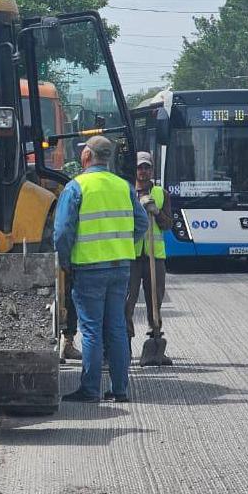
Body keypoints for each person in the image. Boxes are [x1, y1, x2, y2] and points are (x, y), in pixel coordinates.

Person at [54, 135, 147, 403]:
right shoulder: (124, 187)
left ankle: (90, 389)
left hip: (89, 268)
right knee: (116, 326)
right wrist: (122, 245)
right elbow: (141, 224)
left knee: (92, 328)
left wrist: (65, 260)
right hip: (121, 268)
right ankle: (119, 389)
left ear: (86, 156)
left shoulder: (76, 187)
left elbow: (62, 232)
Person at [127, 151, 172, 365]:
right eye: (139, 168)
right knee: (127, 301)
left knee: (155, 299)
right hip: (132, 257)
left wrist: (155, 211)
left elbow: (167, 224)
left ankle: (155, 340)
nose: (142, 172)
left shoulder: (161, 193)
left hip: (155, 257)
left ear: (152, 169)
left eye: (146, 167)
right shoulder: (126, 192)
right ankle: (124, 344)